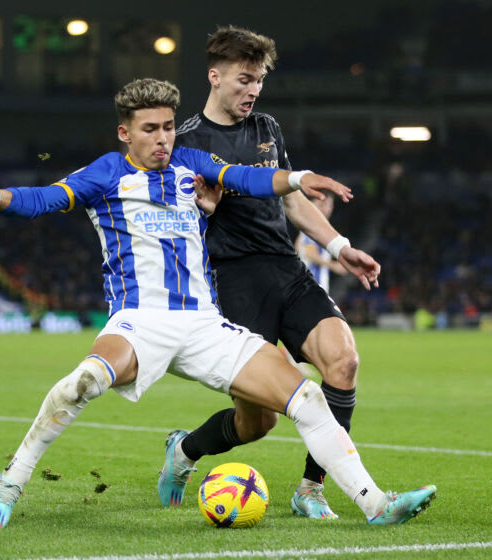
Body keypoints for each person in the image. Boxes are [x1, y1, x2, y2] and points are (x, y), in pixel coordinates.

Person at [0, 78, 435, 530]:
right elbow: (44, 198)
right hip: (139, 322)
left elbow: (246, 178)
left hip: (204, 324)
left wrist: (300, 177)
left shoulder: (191, 163)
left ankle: (376, 505)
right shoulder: (107, 172)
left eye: (168, 126)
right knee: (81, 384)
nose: (163, 138)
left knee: (307, 398)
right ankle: (12, 481)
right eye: (150, 129)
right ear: (125, 133)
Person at [159, 26, 380, 520]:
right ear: (215, 77)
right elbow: (173, 227)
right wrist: (205, 213)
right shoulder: (186, 141)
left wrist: (340, 246)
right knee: (256, 423)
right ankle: (185, 450)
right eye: (244, 79)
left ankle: (310, 488)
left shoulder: (267, 129)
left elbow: (292, 197)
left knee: (342, 362)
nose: (253, 90)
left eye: (259, 80)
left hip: (287, 268)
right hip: (233, 282)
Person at [296, 196, 347, 293]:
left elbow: (298, 247)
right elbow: (308, 252)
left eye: (330, 205)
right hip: (312, 287)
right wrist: (333, 266)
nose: (326, 209)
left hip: (315, 287)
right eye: (322, 204)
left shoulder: (317, 227)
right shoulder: (312, 226)